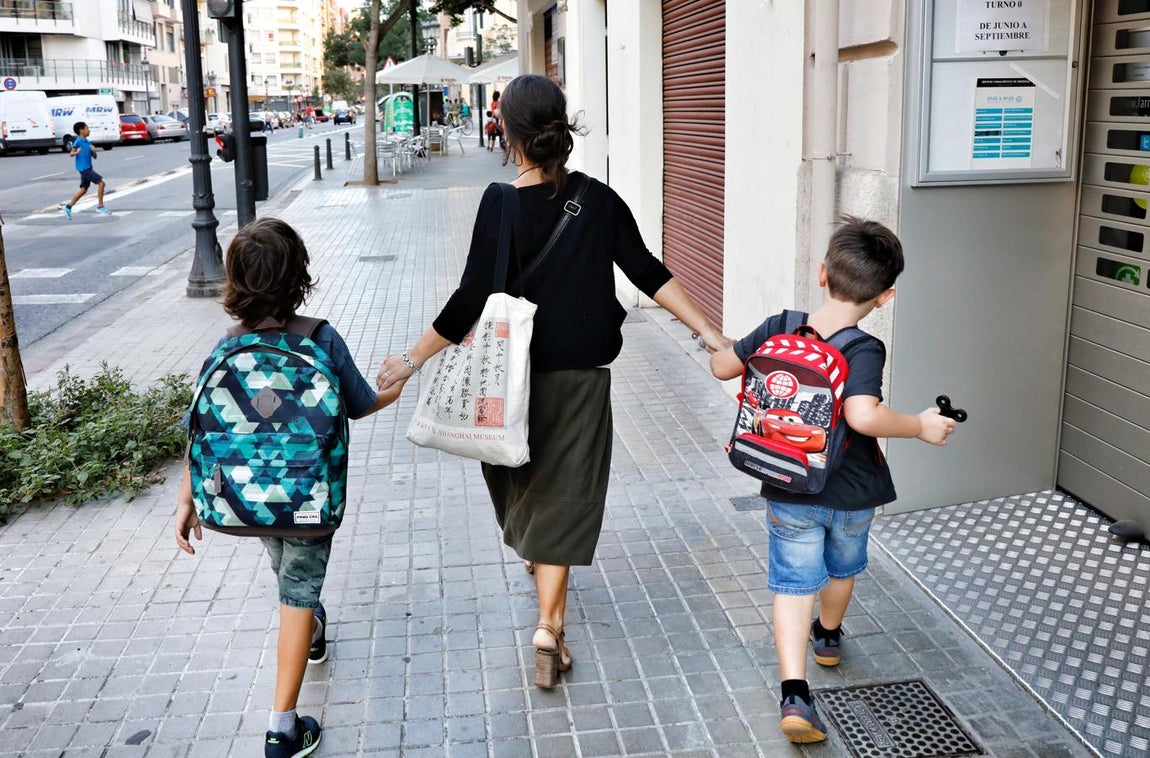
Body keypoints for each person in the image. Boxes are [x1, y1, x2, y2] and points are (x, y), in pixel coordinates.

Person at [377, 74, 728, 690]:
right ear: (561, 129)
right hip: (580, 380)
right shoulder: (598, 199)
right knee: (565, 493)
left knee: (526, 488)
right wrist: (710, 332)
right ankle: (548, 625)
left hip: (505, 384)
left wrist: (409, 364)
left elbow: (468, 301)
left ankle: (547, 608)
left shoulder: (500, 203)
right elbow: (648, 272)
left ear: (507, 133)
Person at [709, 217, 957, 744]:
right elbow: (864, 417)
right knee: (842, 567)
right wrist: (920, 426)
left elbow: (720, 368)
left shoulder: (780, 324)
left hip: (786, 481)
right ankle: (827, 638)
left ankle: (795, 695)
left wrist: (734, 346)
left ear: (822, 274)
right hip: (852, 488)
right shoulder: (863, 349)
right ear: (885, 297)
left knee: (792, 584)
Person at [175, 218, 400, 758]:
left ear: (234, 283)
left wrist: (187, 499)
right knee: (296, 592)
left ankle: (313, 629)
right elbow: (361, 404)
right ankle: (282, 729)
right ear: (299, 277)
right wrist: (398, 384)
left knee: (286, 571)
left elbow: (202, 429)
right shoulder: (318, 336)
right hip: (308, 498)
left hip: (245, 498)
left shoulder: (225, 347)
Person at [61, 122, 110, 219]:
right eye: (87, 128)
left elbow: (95, 157)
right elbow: (71, 154)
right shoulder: (78, 141)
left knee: (84, 189)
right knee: (101, 183)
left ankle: (68, 207)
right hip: (84, 169)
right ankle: (100, 206)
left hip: (88, 167)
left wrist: (93, 150)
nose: (89, 130)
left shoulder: (88, 142)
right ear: (81, 130)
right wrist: (77, 152)